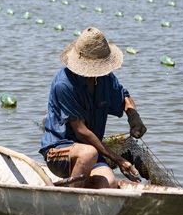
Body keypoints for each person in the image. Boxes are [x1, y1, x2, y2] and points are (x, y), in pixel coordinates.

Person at [39, 27, 146, 188]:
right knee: (88, 153)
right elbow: (81, 131)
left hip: (93, 152)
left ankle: (73, 187)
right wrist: (118, 159)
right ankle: (71, 198)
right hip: (60, 151)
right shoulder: (65, 84)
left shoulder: (105, 79)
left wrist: (133, 117)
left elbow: (124, 97)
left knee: (108, 183)